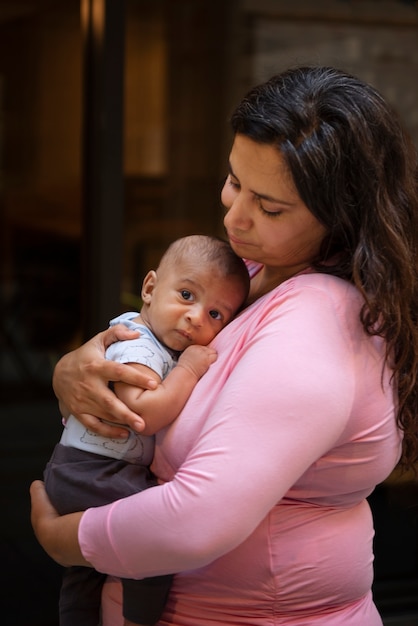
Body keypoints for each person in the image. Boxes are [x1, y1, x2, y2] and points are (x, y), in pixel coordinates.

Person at [30, 65, 418, 626]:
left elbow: (198, 520)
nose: (234, 216)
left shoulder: (315, 319)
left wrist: (67, 541)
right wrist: (74, 368)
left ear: (342, 213)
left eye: (271, 207)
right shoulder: (259, 271)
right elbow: (159, 339)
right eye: (235, 181)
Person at [42, 234, 250, 626]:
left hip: (89, 469)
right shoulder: (138, 343)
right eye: (187, 295)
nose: (196, 318)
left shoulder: (157, 342)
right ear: (150, 288)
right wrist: (188, 370)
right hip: (92, 471)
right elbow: (143, 414)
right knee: (152, 548)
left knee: (83, 576)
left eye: (216, 315)